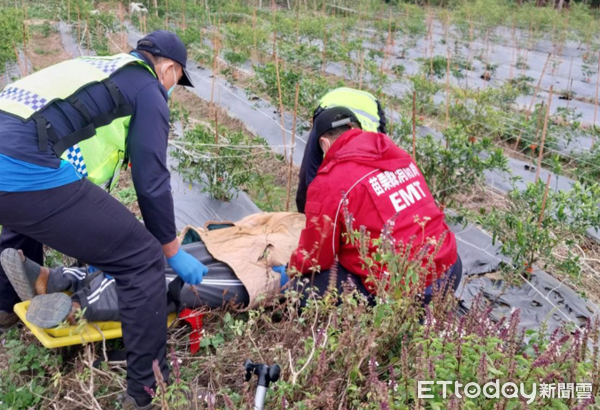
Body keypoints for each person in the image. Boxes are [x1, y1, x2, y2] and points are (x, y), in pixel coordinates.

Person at [0, 30, 208, 409]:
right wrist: (171, 249)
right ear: (168, 69)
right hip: (22, 164)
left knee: (23, 209)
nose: (175, 86)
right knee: (143, 257)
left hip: (11, 147)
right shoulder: (148, 89)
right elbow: (152, 179)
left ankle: (5, 304)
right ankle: (149, 392)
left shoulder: (101, 68)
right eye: (179, 79)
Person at [285, 107, 461, 306]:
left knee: (303, 290)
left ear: (324, 144)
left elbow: (317, 256)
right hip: (450, 266)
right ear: (355, 128)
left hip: (403, 287)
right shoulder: (396, 154)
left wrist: (290, 269)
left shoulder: (330, 181)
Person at [296, 87, 387, 213]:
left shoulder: (375, 145)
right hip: (331, 106)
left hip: (369, 105)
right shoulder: (321, 134)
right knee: (306, 188)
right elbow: (309, 182)